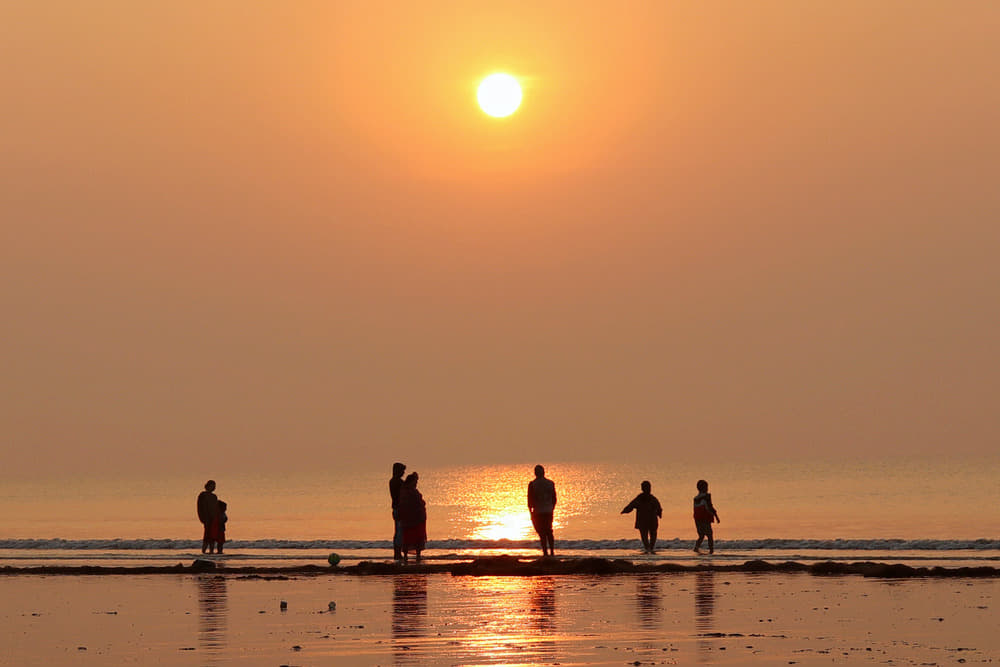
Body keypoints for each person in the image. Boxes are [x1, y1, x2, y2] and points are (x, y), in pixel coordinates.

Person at [621, 480, 663, 553]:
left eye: (649, 487)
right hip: (646, 521)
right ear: (643, 489)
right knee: (648, 536)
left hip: (648, 521)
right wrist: (625, 510)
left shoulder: (647, 499)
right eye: (648, 488)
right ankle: (649, 549)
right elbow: (631, 506)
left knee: (649, 536)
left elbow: (631, 506)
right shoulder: (643, 499)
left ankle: (649, 549)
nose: (649, 489)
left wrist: (625, 510)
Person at [527, 464, 557, 556]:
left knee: (542, 532)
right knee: (549, 531)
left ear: (535, 473)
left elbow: (530, 500)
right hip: (548, 510)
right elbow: (554, 498)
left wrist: (531, 512)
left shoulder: (532, 484)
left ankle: (545, 552)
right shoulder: (550, 483)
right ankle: (551, 551)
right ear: (544, 472)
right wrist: (552, 508)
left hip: (538, 512)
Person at [398, 472, 426, 563]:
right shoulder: (408, 491)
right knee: (413, 536)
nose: (416, 483)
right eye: (415, 481)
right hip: (412, 518)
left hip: (414, 518)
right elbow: (410, 503)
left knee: (412, 536)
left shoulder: (407, 491)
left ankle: (412, 555)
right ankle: (414, 555)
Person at [693, 479, 721, 554]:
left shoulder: (695, 498)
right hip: (705, 519)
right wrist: (716, 516)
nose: (707, 488)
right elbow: (710, 507)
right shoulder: (706, 496)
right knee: (710, 535)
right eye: (706, 487)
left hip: (697, 519)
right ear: (704, 488)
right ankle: (711, 550)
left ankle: (696, 548)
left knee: (701, 535)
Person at [389, 462, 406, 561]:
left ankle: (397, 552)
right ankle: (398, 553)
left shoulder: (393, 481)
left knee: (398, 531)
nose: (403, 473)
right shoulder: (397, 482)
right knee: (399, 531)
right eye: (402, 471)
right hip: (399, 508)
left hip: (396, 507)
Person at [197, 480, 219, 554]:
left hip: (214, 519)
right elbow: (200, 507)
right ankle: (203, 551)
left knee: (213, 536)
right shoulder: (203, 495)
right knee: (207, 536)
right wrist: (202, 518)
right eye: (212, 486)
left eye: (214, 486)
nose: (213, 487)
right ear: (208, 486)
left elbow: (216, 508)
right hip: (206, 518)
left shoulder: (214, 496)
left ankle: (211, 551)